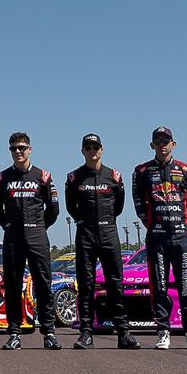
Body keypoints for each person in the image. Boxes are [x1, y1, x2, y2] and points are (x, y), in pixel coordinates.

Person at [64, 133, 136, 349]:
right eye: (88, 148)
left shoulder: (114, 176)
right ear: (82, 151)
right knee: (86, 284)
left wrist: (106, 222)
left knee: (115, 283)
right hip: (85, 233)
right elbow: (70, 207)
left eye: (96, 147)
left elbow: (120, 207)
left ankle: (123, 333)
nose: (92, 151)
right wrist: (83, 222)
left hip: (109, 232)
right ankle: (86, 333)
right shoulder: (73, 178)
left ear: (102, 150)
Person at [134, 127, 187, 350]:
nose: (162, 145)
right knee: (160, 286)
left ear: (174, 143)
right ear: (152, 145)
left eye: (166, 141)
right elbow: (138, 203)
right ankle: (163, 331)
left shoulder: (186, 169)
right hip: (157, 237)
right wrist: (150, 224)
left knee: (185, 285)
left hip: (181, 237)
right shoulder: (142, 171)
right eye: (158, 141)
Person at [0, 132, 61, 350]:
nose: (18, 152)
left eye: (22, 147)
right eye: (13, 148)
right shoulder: (1, 178)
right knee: (12, 286)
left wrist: (40, 227)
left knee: (43, 284)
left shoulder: (43, 176)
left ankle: (48, 332)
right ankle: (14, 333)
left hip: (38, 236)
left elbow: (54, 209)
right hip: (13, 237)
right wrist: (8, 225)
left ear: (30, 149)